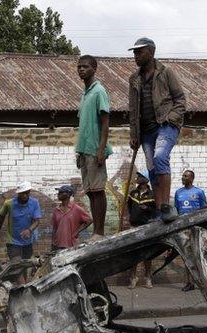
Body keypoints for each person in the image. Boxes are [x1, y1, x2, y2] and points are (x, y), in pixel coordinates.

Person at [128, 37, 186, 223]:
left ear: (151, 52)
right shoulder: (134, 79)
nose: (136, 56)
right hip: (145, 132)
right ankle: (160, 212)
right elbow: (133, 109)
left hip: (165, 126)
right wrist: (134, 134)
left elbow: (180, 99)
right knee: (152, 169)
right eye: (134, 52)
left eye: (139, 52)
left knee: (160, 157)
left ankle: (166, 206)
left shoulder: (166, 72)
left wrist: (172, 118)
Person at [75, 54, 112, 238]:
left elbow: (105, 123)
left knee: (98, 191)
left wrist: (101, 149)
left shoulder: (99, 91)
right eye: (79, 66)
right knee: (90, 192)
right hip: (84, 149)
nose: (81, 69)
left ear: (94, 69)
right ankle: (96, 231)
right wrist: (78, 151)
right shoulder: (84, 94)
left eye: (85, 66)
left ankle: (99, 231)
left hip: (96, 148)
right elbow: (83, 125)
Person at [0, 181, 41, 283]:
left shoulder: (34, 203)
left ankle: (21, 289)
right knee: (16, 264)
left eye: (27, 193)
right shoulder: (9, 203)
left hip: (27, 242)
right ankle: (24, 291)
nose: (25, 195)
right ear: (18, 193)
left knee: (23, 267)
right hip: (13, 241)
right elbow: (1, 217)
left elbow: (37, 221)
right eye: (22, 193)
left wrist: (29, 230)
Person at [174, 170, 207, 291]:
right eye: (183, 176)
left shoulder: (199, 192)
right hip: (183, 229)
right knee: (187, 256)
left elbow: (204, 209)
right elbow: (177, 211)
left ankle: (203, 282)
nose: (183, 178)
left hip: (196, 228)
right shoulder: (178, 192)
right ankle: (190, 282)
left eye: (186, 176)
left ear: (192, 178)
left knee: (199, 256)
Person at [127, 170, 157, 289]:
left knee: (147, 255)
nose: (137, 178)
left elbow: (156, 211)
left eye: (139, 176)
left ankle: (148, 277)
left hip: (146, 228)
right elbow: (129, 207)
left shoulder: (152, 194)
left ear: (145, 179)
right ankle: (133, 278)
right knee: (134, 255)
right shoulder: (133, 193)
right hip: (134, 227)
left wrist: (147, 209)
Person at [51, 185, 93, 251]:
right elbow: (54, 228)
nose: (58, 194)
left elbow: (89, 220)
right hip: (58, 245)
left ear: (68, 195)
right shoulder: (56, 210)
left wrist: (77, 231)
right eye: (59, 192)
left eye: (61, 192)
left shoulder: (76, 208)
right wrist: (53, 242)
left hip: (71, 245)